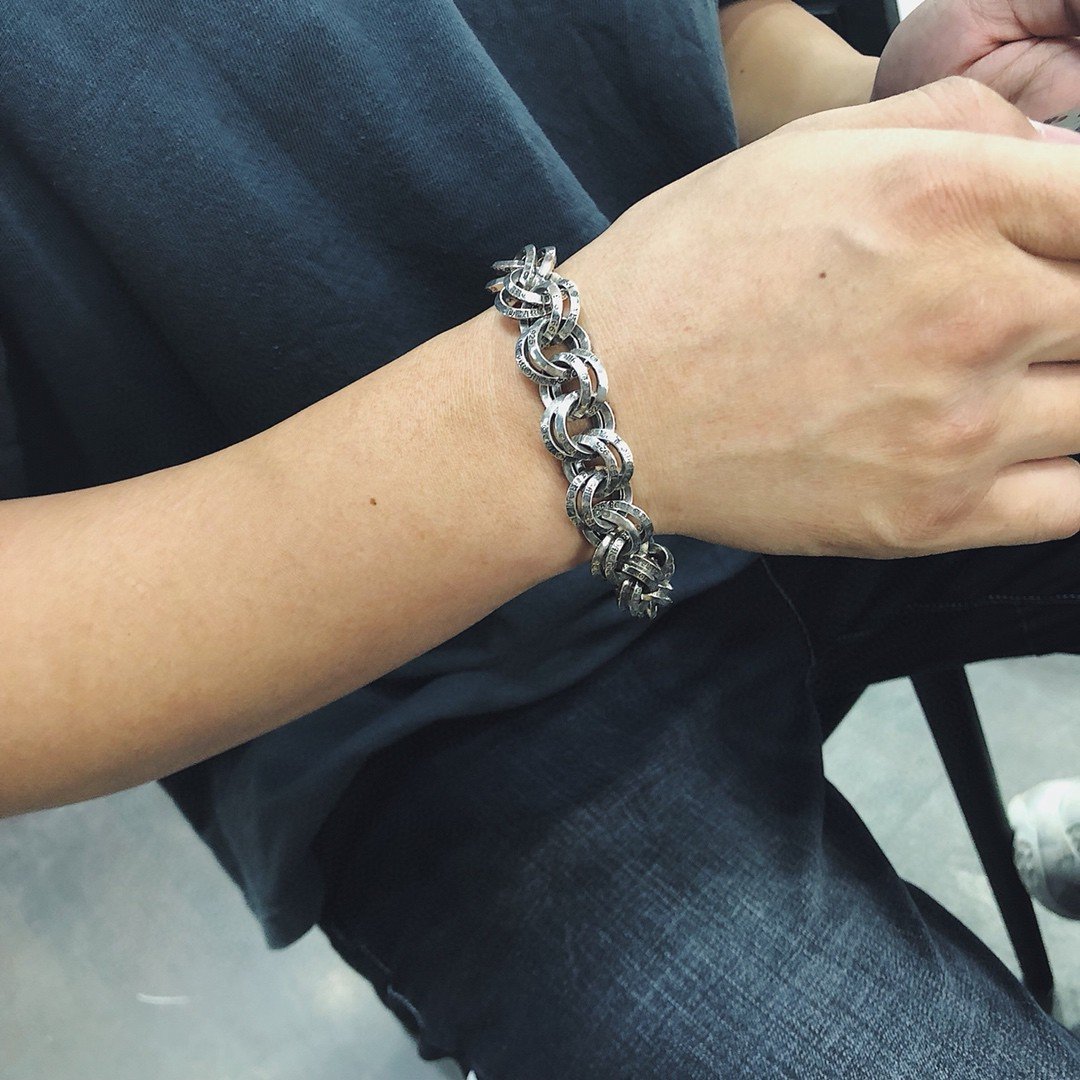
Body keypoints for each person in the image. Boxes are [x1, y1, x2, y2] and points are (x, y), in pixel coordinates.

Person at [2, 0, 1080, 1075]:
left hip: (816, 329)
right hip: (397, 685)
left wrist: (871, 114)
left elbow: (682, 35)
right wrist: (622, 404)